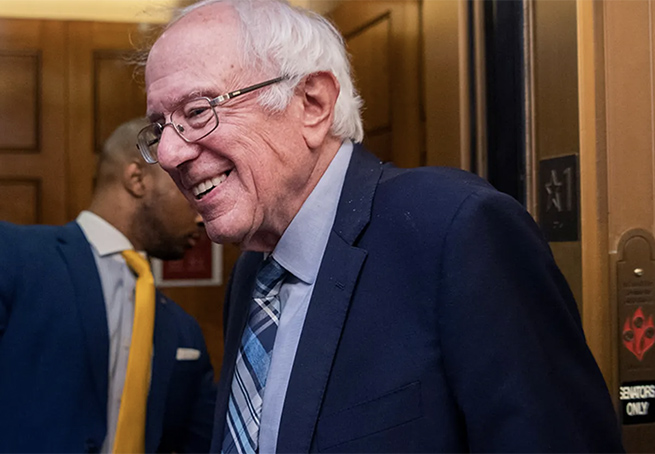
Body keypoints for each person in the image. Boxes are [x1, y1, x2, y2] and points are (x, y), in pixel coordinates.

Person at [139, 1, 624, 452]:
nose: (168, 153)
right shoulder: (254, 275)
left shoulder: (456, 231)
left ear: (312, 102)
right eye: (160, 127)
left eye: (198, 112)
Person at [0, 118, 216, 454]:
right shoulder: (13, 255)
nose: (201, 213)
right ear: (137, 179)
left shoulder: (183, 331)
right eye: (185, 185)